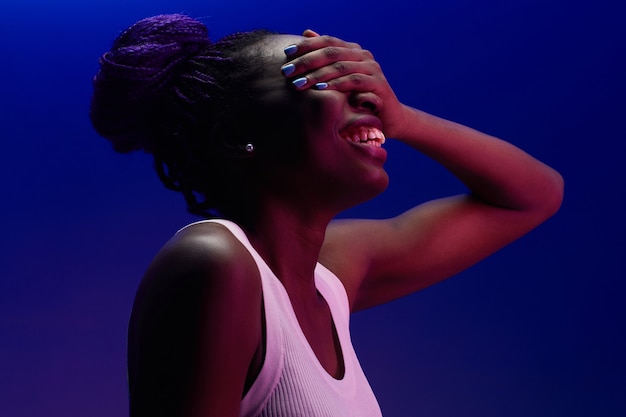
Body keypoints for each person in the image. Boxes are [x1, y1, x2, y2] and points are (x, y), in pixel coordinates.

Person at [90, 13, 563, 417]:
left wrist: (400, 118)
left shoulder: (329, 275)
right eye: (326, 81)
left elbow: (534, 195)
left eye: (356, 80)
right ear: (238, 136)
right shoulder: (214, 262)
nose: (364, 95)